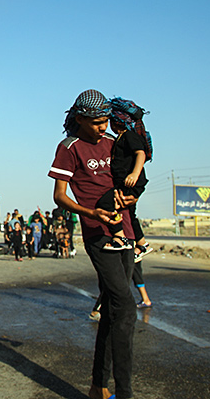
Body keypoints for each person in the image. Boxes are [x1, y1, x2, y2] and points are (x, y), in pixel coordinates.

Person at [49, 90, 136, 399]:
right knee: (125, 307)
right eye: (97, 122)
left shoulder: (114, 143)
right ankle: (124, 392)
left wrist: (131, 196)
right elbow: (59, 196)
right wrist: (90, 213)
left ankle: (98, 385)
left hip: (125, 231)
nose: (103, 127)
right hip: (98, 234)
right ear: (81, 119)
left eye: (105, 121)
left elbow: (129, 180)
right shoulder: (69, 148)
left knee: (113, 310)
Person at [97, 97, 153, 252]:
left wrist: (134, 174)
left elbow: (140, 153)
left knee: (106, 203)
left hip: (130, 183)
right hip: (126, 183)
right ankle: (142, 244)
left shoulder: (129, 136)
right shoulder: (121, 138)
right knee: (130, 214)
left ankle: (119, 237)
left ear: (116, 122)